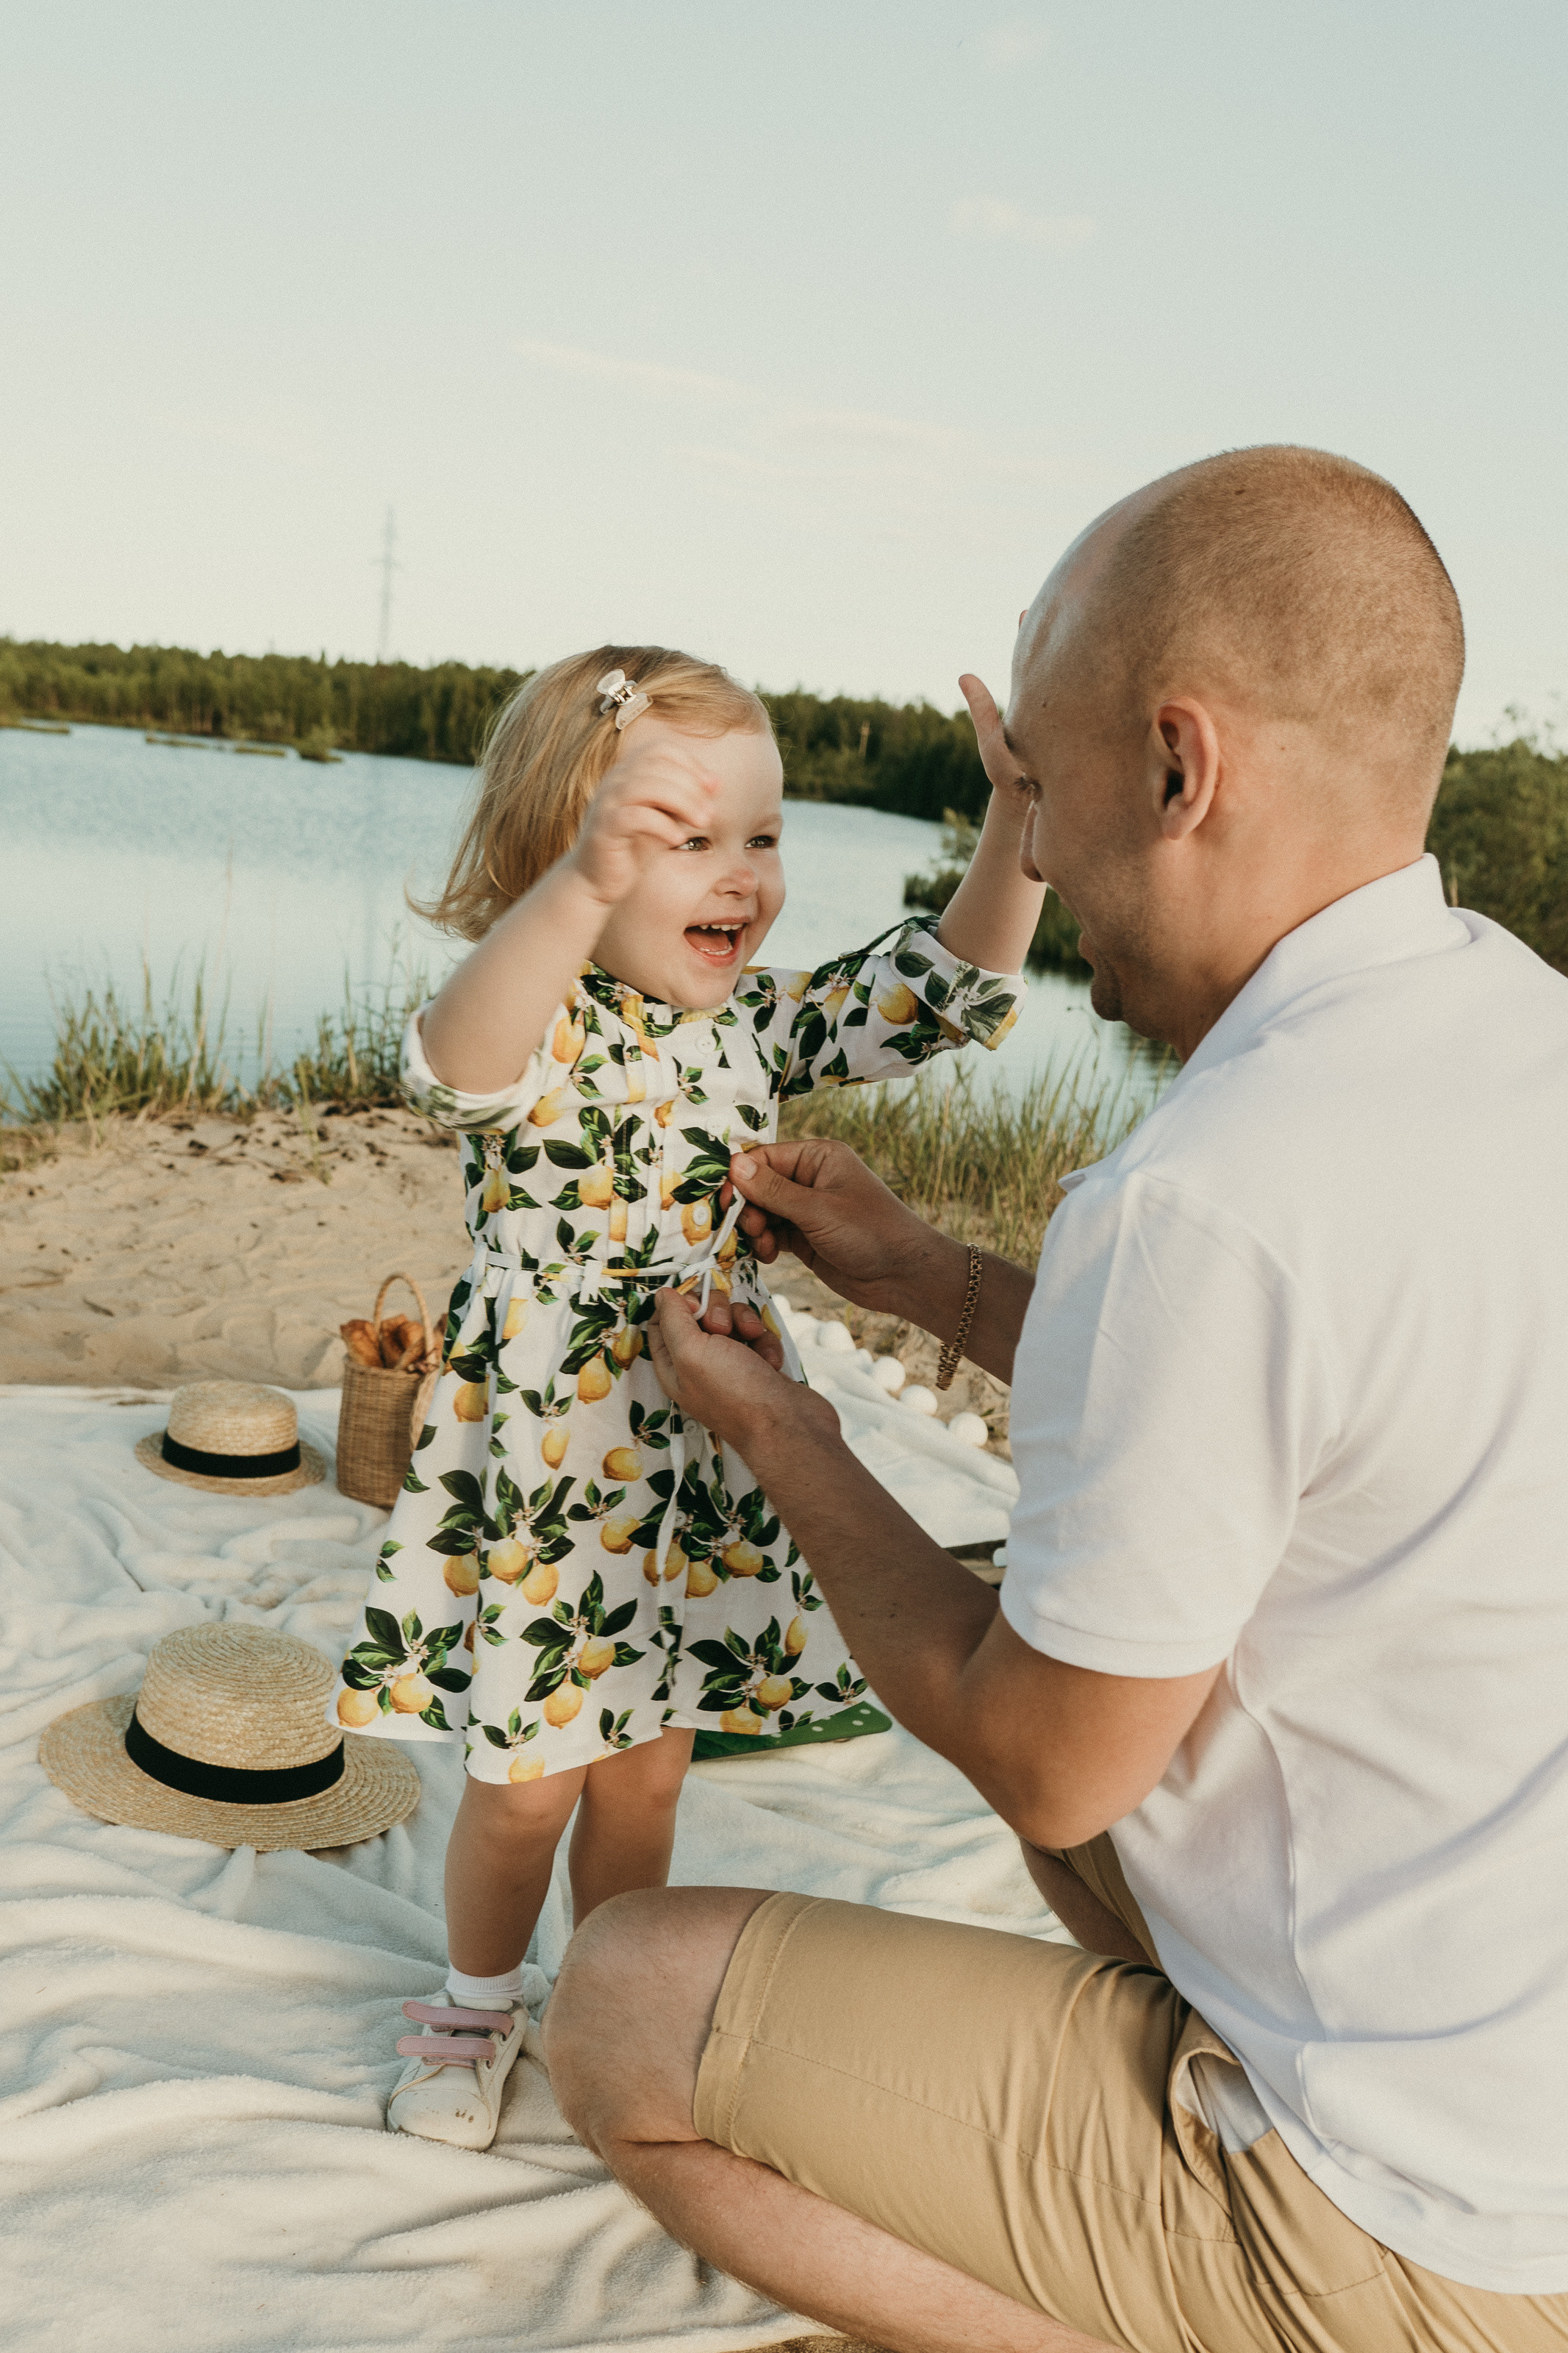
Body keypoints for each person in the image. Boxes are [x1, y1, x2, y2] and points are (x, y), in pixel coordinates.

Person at [543, 452, 1568, 2352]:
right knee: (1079, 1648)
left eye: (1037, 794)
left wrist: (788, 1440)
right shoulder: (1509, 1026)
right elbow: (1287, 1392)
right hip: (1512, 2044)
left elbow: (1040, 1756)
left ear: (1177, 771)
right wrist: (932, 1284)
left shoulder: (1217, 1189)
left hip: (1433, 2219)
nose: (1036, 854)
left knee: (617, 1997)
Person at [329, 643, 1039, 2149]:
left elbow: (943, 986)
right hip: (545, 1476)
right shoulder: (544, 1019)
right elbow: (451, 1062)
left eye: (763, 836)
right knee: (525, 1781)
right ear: (567, 850)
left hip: (692, 1461)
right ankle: (470, 2008)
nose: (741, 876)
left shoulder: (752, 1027)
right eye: (685, 838)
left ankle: (601, 1991)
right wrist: (582, 889)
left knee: (647, 1773)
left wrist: (1014, 823)